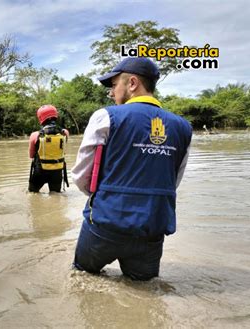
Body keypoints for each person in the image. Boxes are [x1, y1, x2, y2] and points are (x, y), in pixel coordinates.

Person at [71, 57, 192, 280]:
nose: (112, 93)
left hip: (105, 225)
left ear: (132, 83)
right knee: (144, 290)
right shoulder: (183, 127)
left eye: (114, 86)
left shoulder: (105, 117)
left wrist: (107, 197)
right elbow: (173, 180)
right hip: (152, 228)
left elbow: (81, 176)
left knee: (83, 277)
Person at [28, 105, 69, 193]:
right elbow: (63, 151)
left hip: (40, 171)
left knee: (32, 194)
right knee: (55, 196)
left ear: (40, 118)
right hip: (57, 171)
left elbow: (31, 155)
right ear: (55, 116)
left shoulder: (35, 135)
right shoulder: (65, 133)